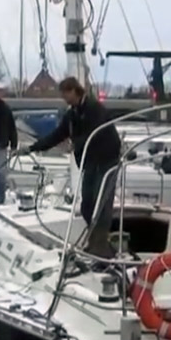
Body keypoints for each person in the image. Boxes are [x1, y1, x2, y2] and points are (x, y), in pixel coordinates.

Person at [18, 77, 121, 257]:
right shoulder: (72, 114)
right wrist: (33, 148)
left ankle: (101, 245)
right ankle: (96, 241)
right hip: (90, 161)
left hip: (106, 159)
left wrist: (77, 144)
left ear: (74, 91)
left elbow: (97, 131)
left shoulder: (94, 108)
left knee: (101, 202)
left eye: (66, 94)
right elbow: (57, 135)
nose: (64, 98)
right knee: (87, 204)